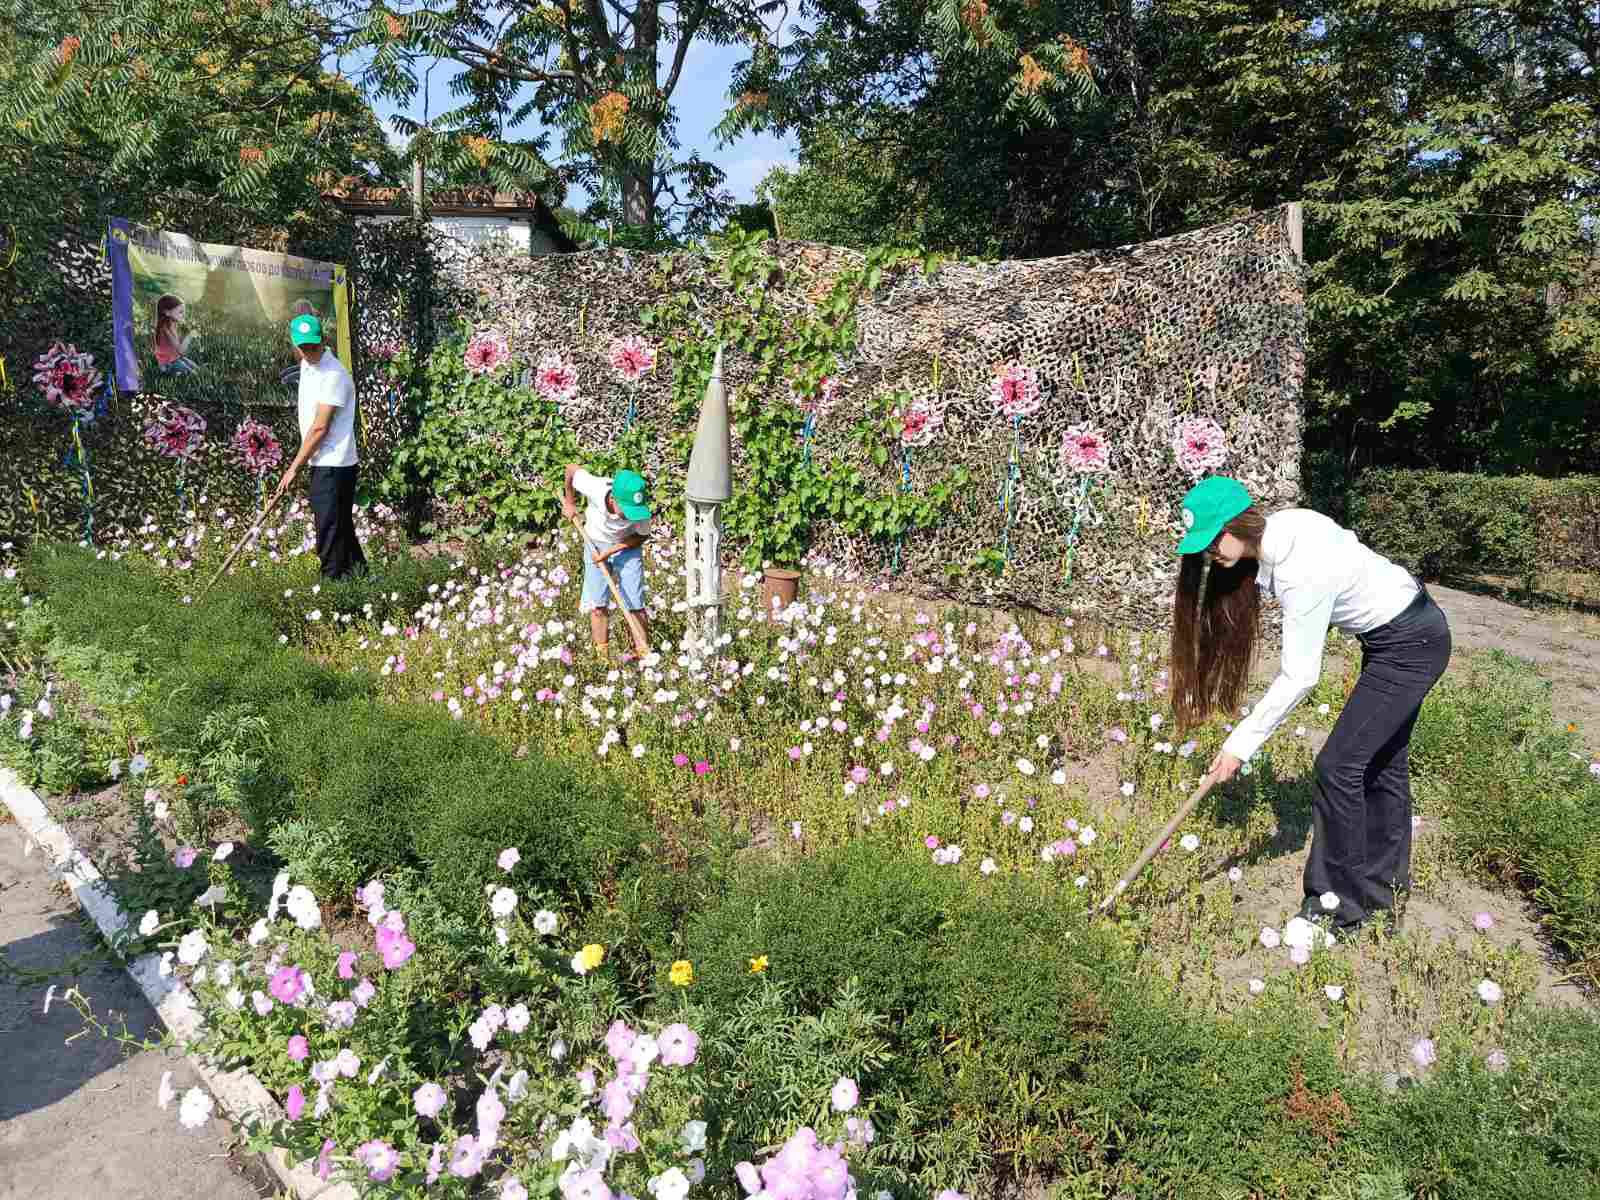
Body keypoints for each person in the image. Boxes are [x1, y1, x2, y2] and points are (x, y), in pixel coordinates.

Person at [1169, 475, 1451, 934]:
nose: (1210, 554)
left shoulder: (1301, 567)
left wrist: (1241, 744)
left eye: (1213, 538)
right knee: (1381, 765)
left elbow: (1301, 675)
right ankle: (1385, 894)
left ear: (1238, 523)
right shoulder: (1285, 530)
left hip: (1411, 644)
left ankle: (1334, 910)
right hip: (1400, 637)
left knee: (1338, 767)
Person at [270, 313, 366, 579]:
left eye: (313, 345)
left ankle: (332, 594)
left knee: (329, 534)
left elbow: (320, 428)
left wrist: (293, 468)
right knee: (341, 529)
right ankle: (363, 581)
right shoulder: (307, 365)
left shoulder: (334, 375)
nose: (309, 352)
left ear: (323, 340)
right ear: (294, 344)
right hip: (325, 463)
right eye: (303, 347)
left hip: (333, 465)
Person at [562, 463, 653, 662]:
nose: (632, 515)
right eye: (627, 510)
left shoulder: (640, 510)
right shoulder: (595, 487)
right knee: (597, 603)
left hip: (627, 547)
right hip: (594, 542)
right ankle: (602, 659)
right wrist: (570, 503)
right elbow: (570, 469)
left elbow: (641, 536)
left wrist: (612, 551)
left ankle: (642, 655)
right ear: (613, 499)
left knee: (635, 603)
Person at [153, 294, 200, 375]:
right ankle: (167, 371)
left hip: (175, 358)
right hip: (167, 364)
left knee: (197, 368)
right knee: (194, 374)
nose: (184, 315)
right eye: (180, 312)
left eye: (184, 312)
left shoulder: (172, 323)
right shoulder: (165, 329)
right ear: (167, 312)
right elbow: (180, 351)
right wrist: (189, 337)